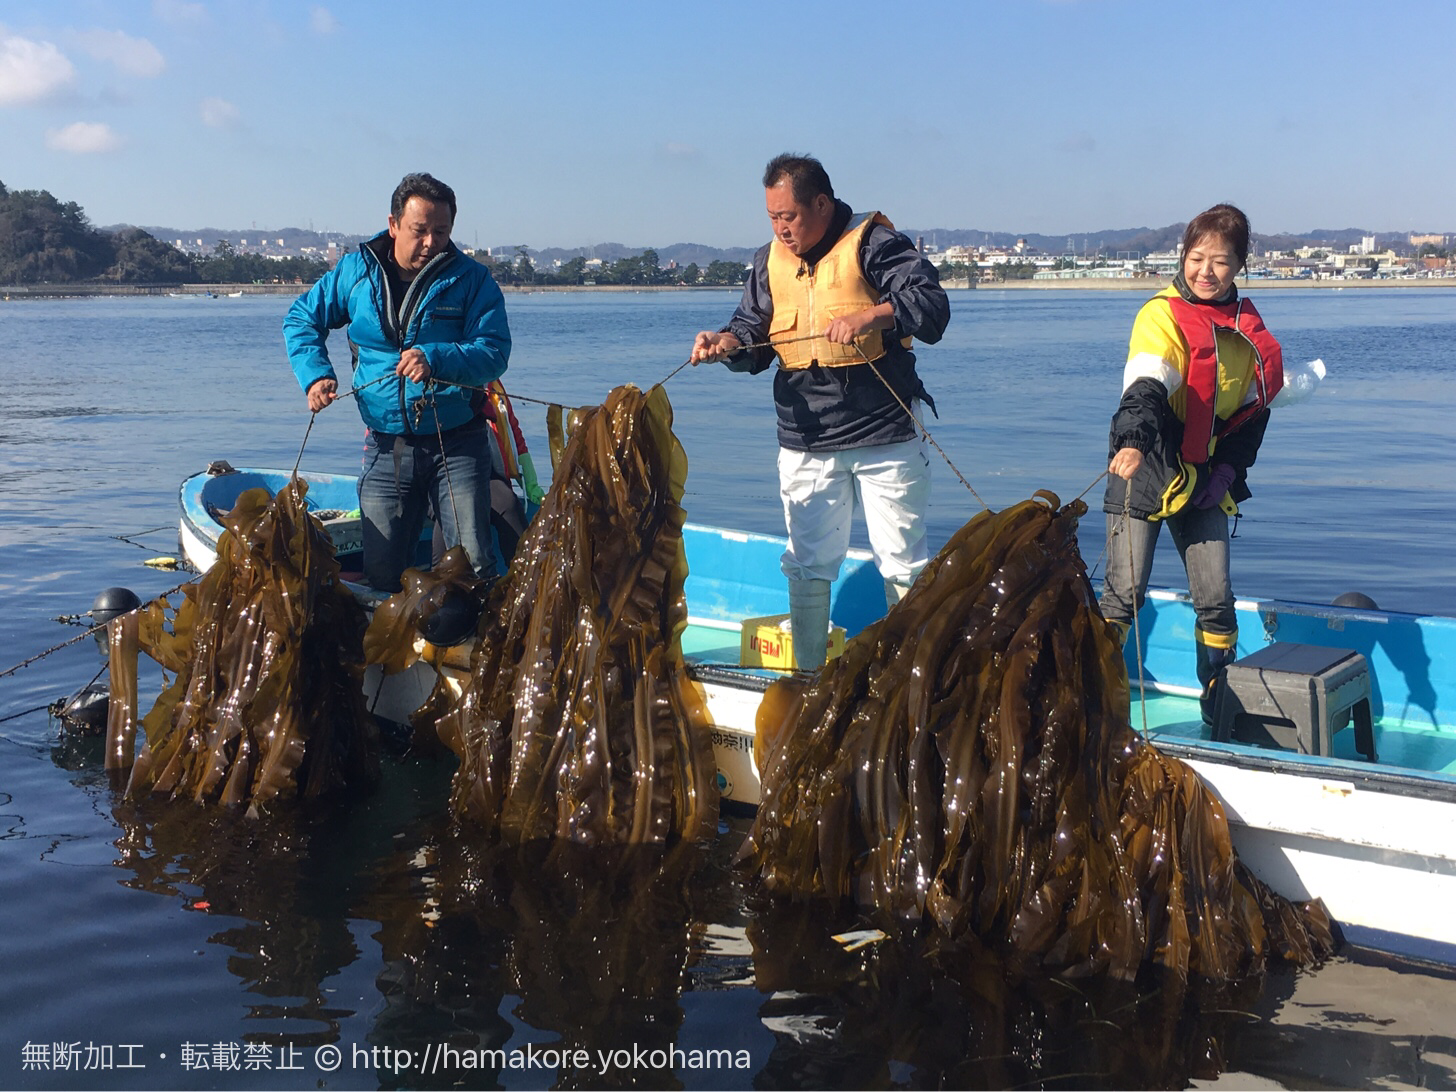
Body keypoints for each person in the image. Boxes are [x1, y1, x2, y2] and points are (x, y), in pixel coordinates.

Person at [689, 153, 950, 670]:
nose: (780, 229)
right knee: (809, 565)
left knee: (902, 561)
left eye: (789, 216)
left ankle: (909, 680)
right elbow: (752, 335)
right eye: (772, 218)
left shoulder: (872, 242)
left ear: (822, 204)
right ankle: (808, 678)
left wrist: (873, 315)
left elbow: (932, 304)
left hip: (885, 434)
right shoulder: (768, 262)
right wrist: (725, 344)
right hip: (806, 439)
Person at [284, 172, 511, 592]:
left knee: (473, 566)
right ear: (393, 226)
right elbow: (301, 319)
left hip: (458, 443)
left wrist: (436, 357)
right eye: (419, 231)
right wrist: (315, 376)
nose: (430, 243)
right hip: (385, 444)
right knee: (383, 572)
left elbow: (494, 352)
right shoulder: (356, 272)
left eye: (440, 232)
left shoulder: (473, 280)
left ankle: (475, 643)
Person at [1100, 203, 1284, 723]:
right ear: (1182, 257)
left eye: (1220, 261)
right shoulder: (1160, 315)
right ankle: (1096, 696)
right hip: (1146, 465)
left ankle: (1217, 701)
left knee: (1215, 596)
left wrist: (1228, 472)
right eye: (1196, 258)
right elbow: (1145, 387)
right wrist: (1131, 441)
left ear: (1240, 266)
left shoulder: (1248, 330)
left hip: (1205, 478)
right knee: (1122, 595)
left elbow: (1252, 415)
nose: (1206, 271)